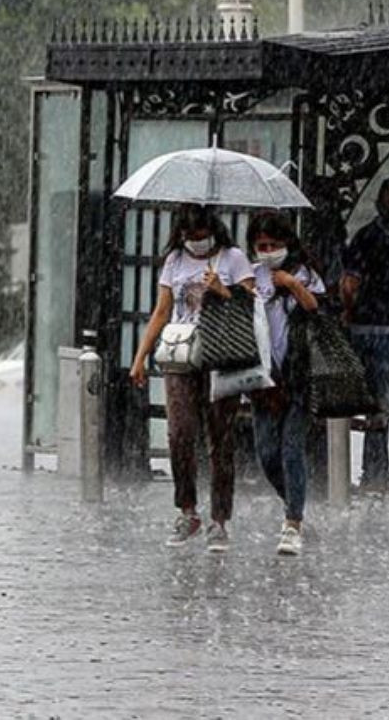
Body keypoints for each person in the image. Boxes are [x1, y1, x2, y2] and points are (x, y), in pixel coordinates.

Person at [130, 204, 255, 552]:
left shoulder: (233, 259)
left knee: (220, 438)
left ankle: (219, 518)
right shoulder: (174, 261)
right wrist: (141, 356)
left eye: (201, 236)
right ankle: (187, 509)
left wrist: (222, 290)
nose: (195, 243)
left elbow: (251, 305)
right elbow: (162, 310)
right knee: (180, 433)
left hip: (221, 355)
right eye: (189, 237)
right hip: (182, 355)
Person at [246, 213, 324, 556]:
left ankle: (293, 522)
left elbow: (316, 307)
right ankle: (295, 503)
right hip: (264, 379)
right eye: (261, 246)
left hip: (299, 375)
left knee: (292, 449)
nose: (267, 251)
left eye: (274, 245)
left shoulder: (304, 272)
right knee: (266, 453)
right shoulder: (250, 275)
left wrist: (291, 283)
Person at [341, 177, 389, 500]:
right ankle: (374, 473)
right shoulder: (366, 239)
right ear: (381, 203)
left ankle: (377, 469)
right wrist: (352, 316)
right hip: (374, 331)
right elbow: (349, 284)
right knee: (380, 404)